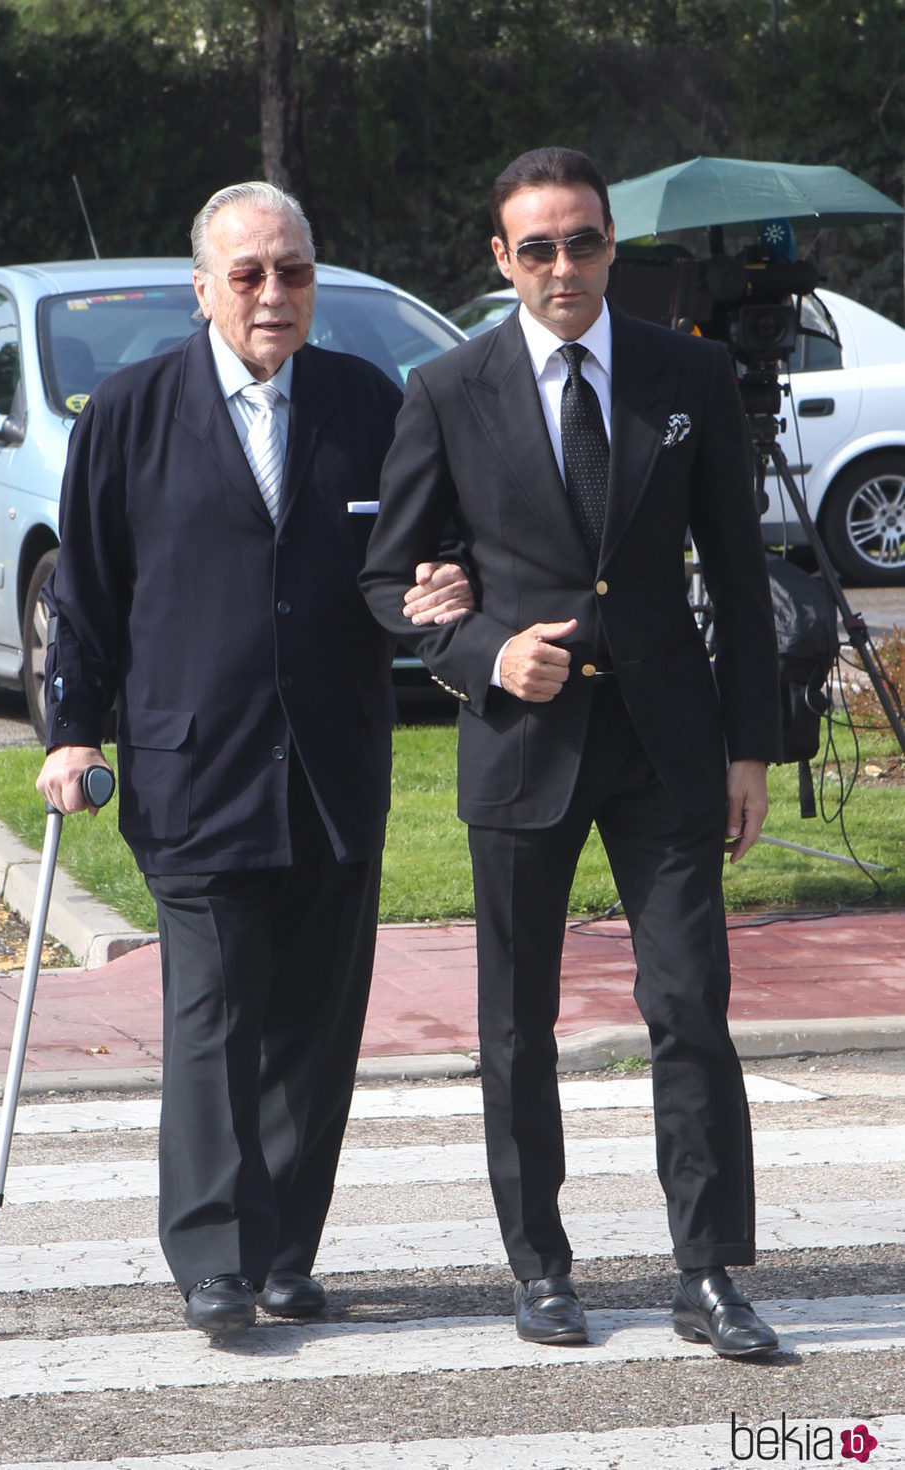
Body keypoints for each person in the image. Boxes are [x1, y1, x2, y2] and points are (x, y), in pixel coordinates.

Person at [361, 147, 783, 1358]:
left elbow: (741, 586)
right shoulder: (446, 388)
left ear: (611, 246)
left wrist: (750, 751)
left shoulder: (687, 372)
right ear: (500, 260)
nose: (561, 266)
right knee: (514, 1025)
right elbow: (390, 581)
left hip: (666, 745)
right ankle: (538, 1269)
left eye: (581, 242)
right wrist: (487, 652)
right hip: (520, 744)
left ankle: (706, 1273)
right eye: (534, 247)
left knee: (688, 1006)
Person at [36, 180, 471, 1342]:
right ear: (203, 288)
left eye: (293, 271)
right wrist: (71, 729)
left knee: (318, 1024)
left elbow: (420, 551)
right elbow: (84, 593)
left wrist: (445, 587)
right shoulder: (128, 412)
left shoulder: (365, 402)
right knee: (218, 1015)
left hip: (332, 765)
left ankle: (286, 1250)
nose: (274, 294)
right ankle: (215, 1257)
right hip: (195, 766)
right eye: (249, 274)